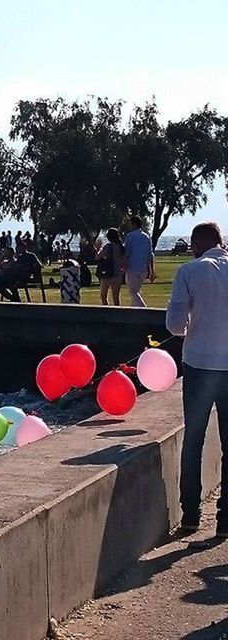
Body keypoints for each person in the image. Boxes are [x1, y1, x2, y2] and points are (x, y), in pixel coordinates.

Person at [166, 222, 228, 538]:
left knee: (194, 440)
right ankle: (225, 520)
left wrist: (191, 326)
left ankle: (190, 515)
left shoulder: (189, 272)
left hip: (200, 363)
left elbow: (175, 324)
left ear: (196, 244)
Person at [124, 215, 155, 307]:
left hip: (132, 268)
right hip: (143, 269)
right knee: (136, 291)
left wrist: (123, 265)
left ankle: (144, 310)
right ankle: (134, 313)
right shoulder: (146, 236)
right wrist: (151, 271)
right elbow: (150, 254)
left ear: (134, 224)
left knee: (133, 292)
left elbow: (127, 252)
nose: (129, 226)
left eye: (130, 223)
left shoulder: (130, 236)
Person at [96, 228, 125, 306]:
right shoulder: (121, 247)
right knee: (116, 298)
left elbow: (98, 256)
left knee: (103, 296)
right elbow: (123, 261)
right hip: (118, 274)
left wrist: (98, 248)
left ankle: (106, 312)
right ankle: (118, 315)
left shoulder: (108, 247)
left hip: (107, 274)